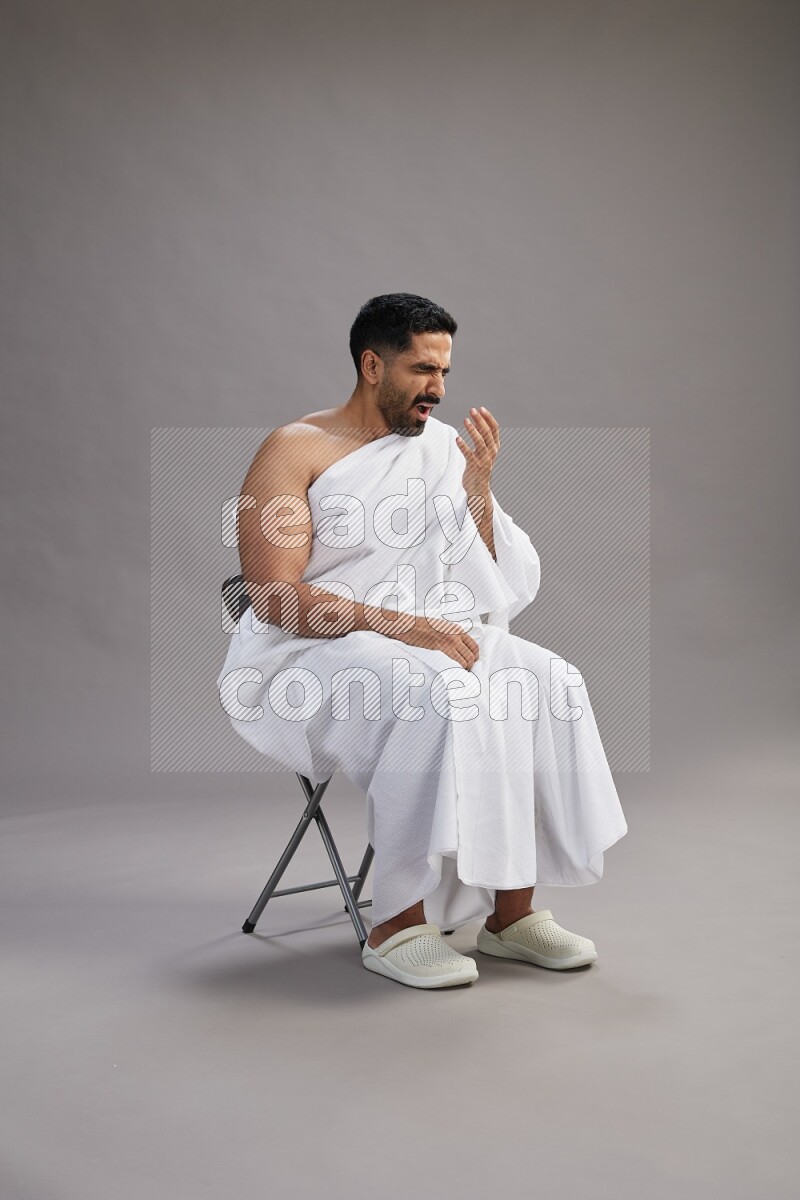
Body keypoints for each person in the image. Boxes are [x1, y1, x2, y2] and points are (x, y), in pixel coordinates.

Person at [217, 293, 628, 990]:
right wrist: (406, 627)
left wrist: (476, 490)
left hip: (426, 634)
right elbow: (275, 598)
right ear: (372, 365)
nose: (438, 388)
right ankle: (397, 923)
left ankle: (511, 915)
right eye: (422, 369)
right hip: (307, 655)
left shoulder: (439, 450)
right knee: (432, 691)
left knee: (548, 680)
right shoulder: (293, 450)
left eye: (444, 371)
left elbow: (502, 581)